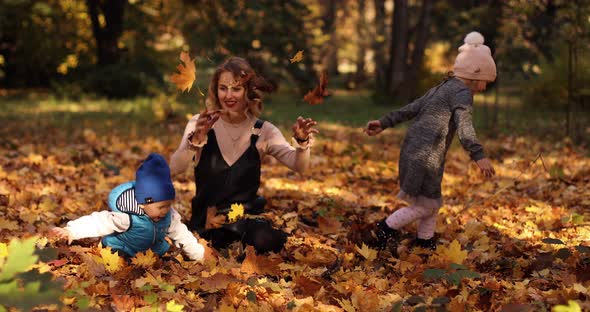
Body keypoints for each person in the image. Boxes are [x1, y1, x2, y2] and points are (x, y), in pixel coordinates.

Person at [170, 57, 318, 254]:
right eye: (223, 88)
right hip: (207, 223)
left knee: (264, 240)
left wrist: (302, 144)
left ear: (248, 92)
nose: (229, 95)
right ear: (216, 91)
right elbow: (175, 168)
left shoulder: (263, 130)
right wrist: (195, 140)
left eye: (236, 89)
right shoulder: (201, 124)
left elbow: (299, 166)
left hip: (245, 221)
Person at [364, 32, 496, 250]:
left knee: (431, 204)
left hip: (415, 150)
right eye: (485, 81)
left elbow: (412, 108)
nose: (485, 87)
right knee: (426, 206)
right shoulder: (462, 93)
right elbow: (465, 125)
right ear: (475, 73)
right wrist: (478, 155)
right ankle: (384, 229)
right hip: (425, 156)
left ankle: (425, 244)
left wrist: (384, 122)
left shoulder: (444, 86)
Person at [50, 153, 205, 261]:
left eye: (168, 205)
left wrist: (199, 255)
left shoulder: (169, 217)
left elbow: (182, 235)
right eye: (161, 206)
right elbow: (99, 222)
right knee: (118, 263)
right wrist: (72, 230)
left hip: (150, 253)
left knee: (165, 260)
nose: (165, 211)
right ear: (144, 203)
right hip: (122, 249)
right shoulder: (127, 216)